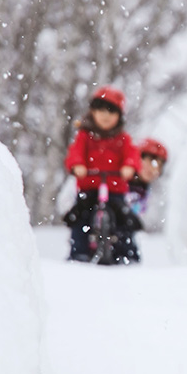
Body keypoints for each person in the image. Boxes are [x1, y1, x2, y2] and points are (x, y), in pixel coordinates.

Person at [62, 85, 141, 263]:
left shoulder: (123, 139)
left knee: (124, 220)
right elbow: (74, 153)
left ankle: (127, 254)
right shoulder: (84, 136)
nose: (105, 115)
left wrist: (129, 166)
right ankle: (78, 252)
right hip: (88, 188)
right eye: (101, 110)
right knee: (80, 218)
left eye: (111, 111)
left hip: (115, 190)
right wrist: (77, 165)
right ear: (92, 112)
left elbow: (132, 155)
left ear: (119, 116)